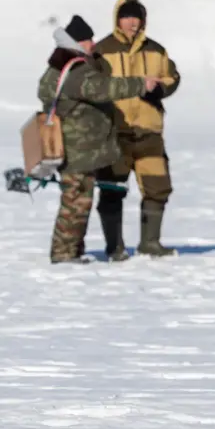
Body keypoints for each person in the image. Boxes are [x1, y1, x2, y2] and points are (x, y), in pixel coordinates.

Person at [37, 14, 159, 264]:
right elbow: (104, 89)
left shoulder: (59, 65)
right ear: (76, 42)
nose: (92, 44)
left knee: (77, 198)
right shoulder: (75, 69)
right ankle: (63, 253)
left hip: (72, 144)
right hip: (77, 148)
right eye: (87, 40)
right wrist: (140, 84)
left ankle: (72, 249)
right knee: (76, 202)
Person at [93, 0, 182, 259]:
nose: (132, 22)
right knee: (112, 189)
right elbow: (92, 85)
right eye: (127, 17)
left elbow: (173, 76)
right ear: (117, 20)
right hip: (115, 132)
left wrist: (160, 89)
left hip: (149, 131)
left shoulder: (156, 49)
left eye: (136, 17)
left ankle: (150, 243)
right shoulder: (101, 50)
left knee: (158, 187)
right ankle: (114, 247)